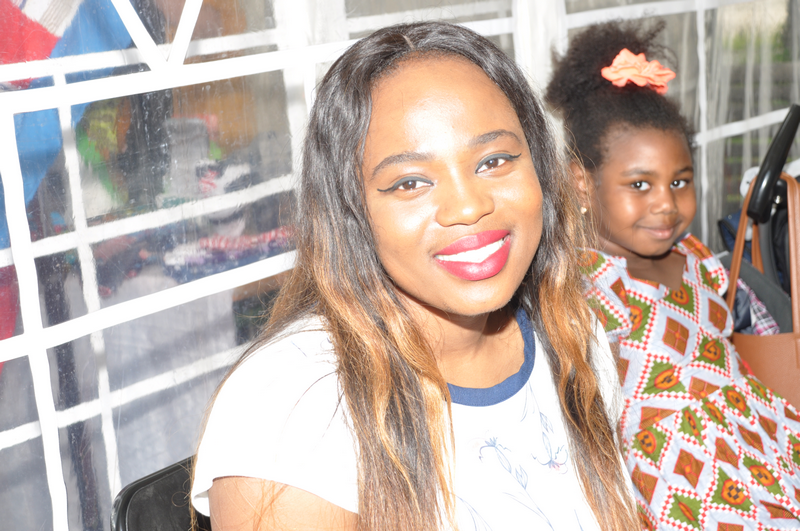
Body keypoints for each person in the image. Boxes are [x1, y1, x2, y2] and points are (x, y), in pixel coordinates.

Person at [190, 21, 637, 531]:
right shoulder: (294, 408)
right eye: (409, 183)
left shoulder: (573, 337)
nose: (468, 206)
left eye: (494, 160)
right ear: (350, 212)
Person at [546, 19, 800, 530]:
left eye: (680, 181)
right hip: (682, 478)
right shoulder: (590, 287)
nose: (666, 203)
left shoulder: (696, 255)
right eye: (640, 184)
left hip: (760, 437)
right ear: (581, 182)